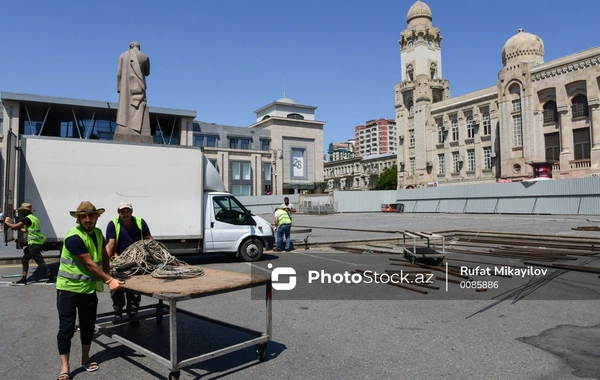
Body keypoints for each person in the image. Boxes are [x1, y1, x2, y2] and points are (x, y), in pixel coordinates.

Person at [56, 201, 122, 380]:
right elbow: (89, 263)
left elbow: (104, 255)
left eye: (91, 215)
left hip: (88, 290)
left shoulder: (99, 234)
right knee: (66, 329)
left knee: (88, 325)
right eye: (83, 216)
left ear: (97, 217)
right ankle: (65, 368)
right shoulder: (74, 238)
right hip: (68, 290)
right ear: (78, 219)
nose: (88, 219)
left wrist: (109, 273)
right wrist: (109, 280)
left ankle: (85, 359)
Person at [105, 201, 152, 325]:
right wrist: (106, 262)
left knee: (135, 290)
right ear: (118, 213)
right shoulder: (113, 224)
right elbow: (110, 244)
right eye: (122, 212)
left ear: (131, 212)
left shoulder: (140, 222)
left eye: (128, 211)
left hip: (137, 262)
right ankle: (118, 312)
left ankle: (132, 314)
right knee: (117, 288)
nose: (125, 214)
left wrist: (154, 255)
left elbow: (149, 239)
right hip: (118, 261)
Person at [4, 202, 54, 285]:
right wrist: (19, 229)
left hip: (34, 244)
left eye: (23, 211)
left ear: (26, 211)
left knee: (40, 262)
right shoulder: (34, 218)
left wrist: (6, 223)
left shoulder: (27, 219)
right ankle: (24, 279)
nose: (22, 212)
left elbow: (15, 226)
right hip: (36, 243)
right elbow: (25, 230)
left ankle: (51, 278)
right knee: (25, 260)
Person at [115, 41, 151, 140]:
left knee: (124, 108)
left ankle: (124, 126)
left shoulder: (122, 55)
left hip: (125, 87)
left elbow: (118, 73)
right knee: (138, 105)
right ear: (139, 47)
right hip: (139, 87)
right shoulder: (145, 57)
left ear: (130, 46)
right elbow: (147, 73)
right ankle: (136, 127)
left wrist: (119, 87)